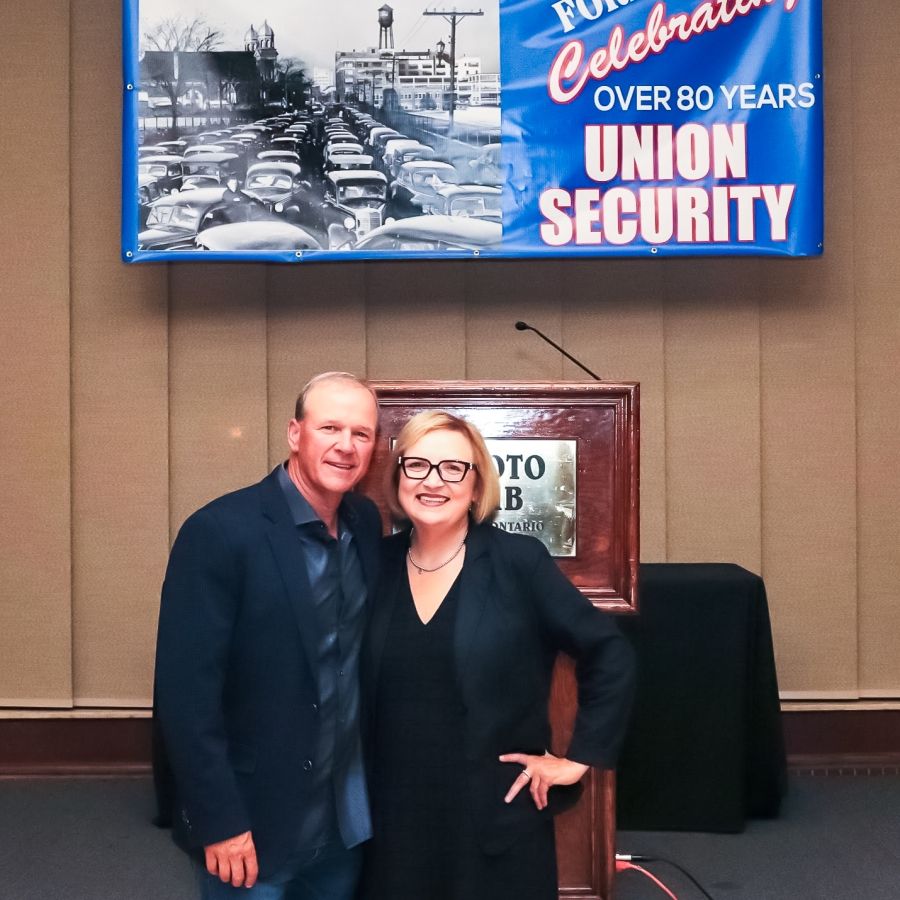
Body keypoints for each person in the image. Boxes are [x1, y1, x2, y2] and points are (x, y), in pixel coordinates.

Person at [360, 411, 635, 900]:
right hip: (392, 825)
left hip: (493, 825)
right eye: (417, 465)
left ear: (476, 483)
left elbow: (608, 651)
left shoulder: (517, 562)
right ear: (398, 475)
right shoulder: (373, 565)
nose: (433, 481)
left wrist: (579, 759)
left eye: (452, 468)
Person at [154, 372, 382, 900]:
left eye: (361, 433)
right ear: (295, 433)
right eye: (330, 427)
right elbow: (186, 698)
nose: (346, 446)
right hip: (252, 824)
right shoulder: (219, 532)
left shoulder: (366, 524)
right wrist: (220, 820)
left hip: (343, 821)